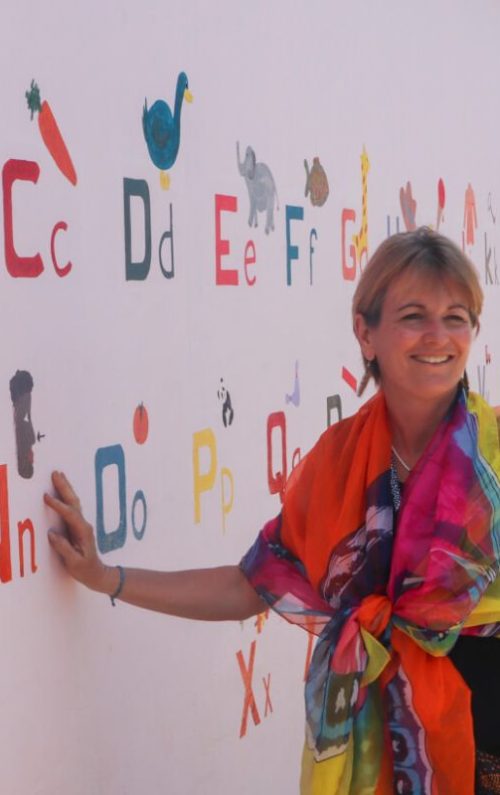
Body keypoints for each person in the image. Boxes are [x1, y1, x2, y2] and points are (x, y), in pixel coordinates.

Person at [45, 228, 500, 795]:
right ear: (365, 332)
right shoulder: (337, 463)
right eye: (414, 316)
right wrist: (105, 576)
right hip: (376, 747)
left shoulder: (493, 456)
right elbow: (253, 584)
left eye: (457, 317)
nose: (439, 335)